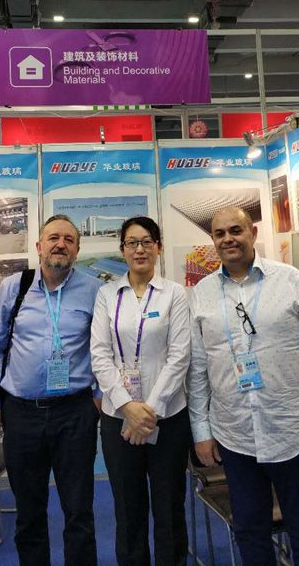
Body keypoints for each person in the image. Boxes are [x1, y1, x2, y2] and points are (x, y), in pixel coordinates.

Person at [188, 206, 299, 566]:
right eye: (220, 233)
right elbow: (198, 369)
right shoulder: (203, 293)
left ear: (253, 233)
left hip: (293, 429)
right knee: (249, 531)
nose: (228, 239)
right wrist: (201, 431)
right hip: (235, 435)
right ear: (212, 240)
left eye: (236, 230)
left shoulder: (290, 281)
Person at [0, 214, 101, 566]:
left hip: (74, 414)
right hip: (21, 415)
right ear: (39, 246)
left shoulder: (93, 290)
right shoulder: (13, 287)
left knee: (79, 510)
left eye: (69, 240)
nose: (60, 244)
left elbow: (104, 349)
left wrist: (99, 397)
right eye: (53, 238)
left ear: (77, 250)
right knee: (29, 512)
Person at [90, 216, 191, 566]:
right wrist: (127, 407)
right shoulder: (106, 295)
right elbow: (99, 354)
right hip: (118, 421)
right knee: (128, 508)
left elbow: (180, 356)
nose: (140, 249)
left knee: (169, 506)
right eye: (132, 242)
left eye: (147, 241)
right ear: (122, 250)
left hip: (168, 418)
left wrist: (148, 412)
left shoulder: (174, 293)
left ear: (159, 247)